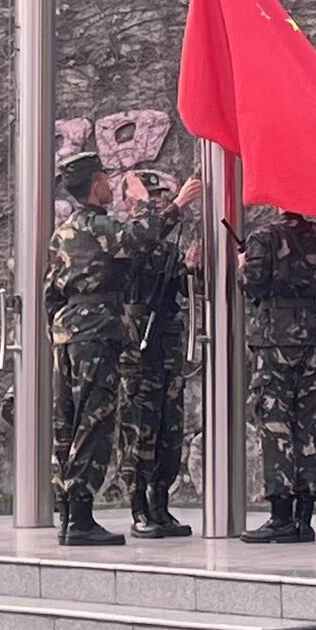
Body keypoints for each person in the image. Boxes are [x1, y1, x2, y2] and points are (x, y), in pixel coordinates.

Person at [45, 150, 202, 547]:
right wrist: (178, 206)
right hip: (96, 333)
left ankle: (67, 512)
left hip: (69, 332)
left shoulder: (64, 232)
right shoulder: (99, 228)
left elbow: (51, 291)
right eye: (104, 177)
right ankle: (79, 516)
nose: (108, 184)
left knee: (68, 423)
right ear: (95, 183)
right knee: (93, 422)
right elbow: (134, 239)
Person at [238, 209, 316, 545]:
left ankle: (280, 515)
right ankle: (304, 517)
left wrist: (242, 265)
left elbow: (254, 286)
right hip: (312, 339)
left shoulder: (264, 237)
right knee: (308, 423)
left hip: (274, 339)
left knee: (275, 423)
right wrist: (315, 307)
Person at [118, 169, 195, 538]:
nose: (160, 200)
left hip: (167, 342)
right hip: (138, 348)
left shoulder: (165, 246)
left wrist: (191, 268)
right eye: (152, 195)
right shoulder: (125, 240)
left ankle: (161, 503)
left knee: (170, 428)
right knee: (140, 427)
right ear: (131, 202)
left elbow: (179, 286)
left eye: (163, 195)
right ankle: (138, 507)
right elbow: (139, 249)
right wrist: (178, 208)